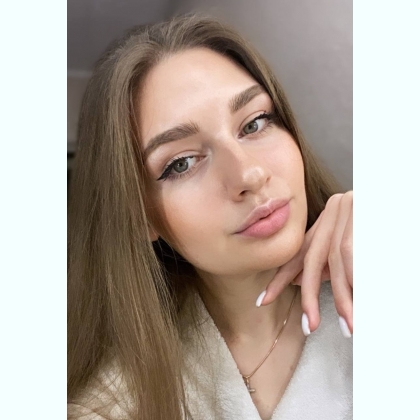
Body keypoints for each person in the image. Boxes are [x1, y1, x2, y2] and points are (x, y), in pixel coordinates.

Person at [67, 14, 353, 420]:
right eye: (182, 163)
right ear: (141, 216)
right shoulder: (111, 404)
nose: (249, 175)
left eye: (255, 123)